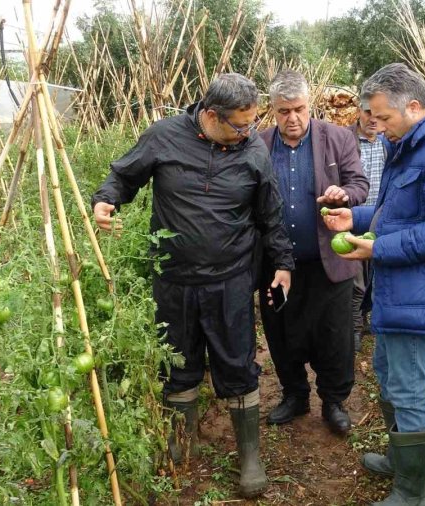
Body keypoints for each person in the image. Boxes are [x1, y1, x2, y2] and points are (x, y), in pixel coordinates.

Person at [91, 74, 293, 499]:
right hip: (174, 279)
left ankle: (249, 456)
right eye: (239, 125)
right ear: (209, 115)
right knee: (177, 360)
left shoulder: (253, 150)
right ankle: (184, 440)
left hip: (231, 279)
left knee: (237, 362)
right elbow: (124, 176)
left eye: (252, 123)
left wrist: (283, 265)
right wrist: (106, 199)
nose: (247, 133)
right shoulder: (164, 137)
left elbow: (270, 215)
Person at [324, 63, 425, 505]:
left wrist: (377, 249)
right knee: (388, 374)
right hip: (403, 286)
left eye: (383, 118)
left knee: (408, 387)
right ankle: (402, 462)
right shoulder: (414, 144)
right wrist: (354, 218)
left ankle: (412, 493)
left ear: (413, 107)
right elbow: (397, 210)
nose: (375, 128)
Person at [257, 69, 368, 436]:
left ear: (310, 105)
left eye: (299, 109)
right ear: (272, 110)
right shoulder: (259, 145)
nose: (292, 118)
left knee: (333, 335)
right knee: (282, 331)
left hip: (328, 261)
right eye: (284, 111)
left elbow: (359, 184)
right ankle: (294, 395)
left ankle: (333, 401)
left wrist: (343, 195)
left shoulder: (336, 139)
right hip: (277, 264)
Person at [348, 99, 387, 353]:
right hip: (352, 220)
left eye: (377, 114)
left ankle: (366, 318)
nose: (372, 119)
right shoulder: (345, 140)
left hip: (381, 220)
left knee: (375, 276)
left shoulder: (389, 142)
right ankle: (353, 329)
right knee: (356, 281)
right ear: (358, 111)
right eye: (367, 112)